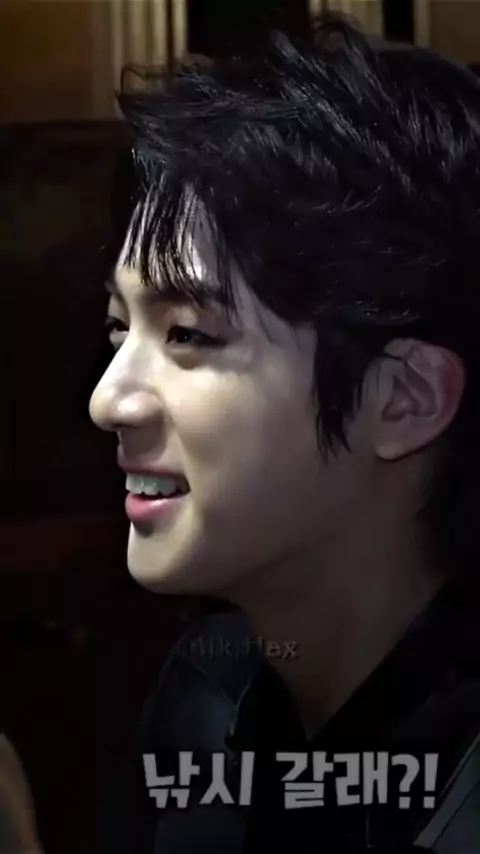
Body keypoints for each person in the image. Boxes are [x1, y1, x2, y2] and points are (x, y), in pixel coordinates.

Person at [89, 15, 480, 853]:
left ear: (404, 398)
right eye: (120, 328)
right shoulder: (205, 693)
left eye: (187, 334)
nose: (109, 399)